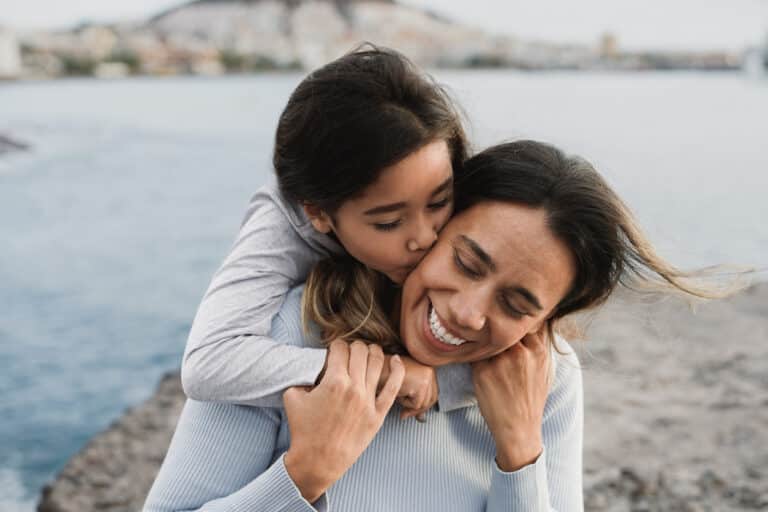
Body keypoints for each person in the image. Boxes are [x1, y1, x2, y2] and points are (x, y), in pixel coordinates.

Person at [144, 141, 730, 511]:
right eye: (467, 262)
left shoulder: (548, 380)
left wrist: (520, 454)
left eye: (519, 303)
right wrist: (303, 475)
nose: (468, 313)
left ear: (547, 319)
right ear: (432, 227)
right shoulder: (288, 333)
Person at [181, 45, 471, 418]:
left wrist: (446, 382)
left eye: (438, 202)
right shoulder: (283, 222)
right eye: (388, 222)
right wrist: (384, 374)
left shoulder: (452, 176)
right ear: (317, 213)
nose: (426, 238)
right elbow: (209, 363)